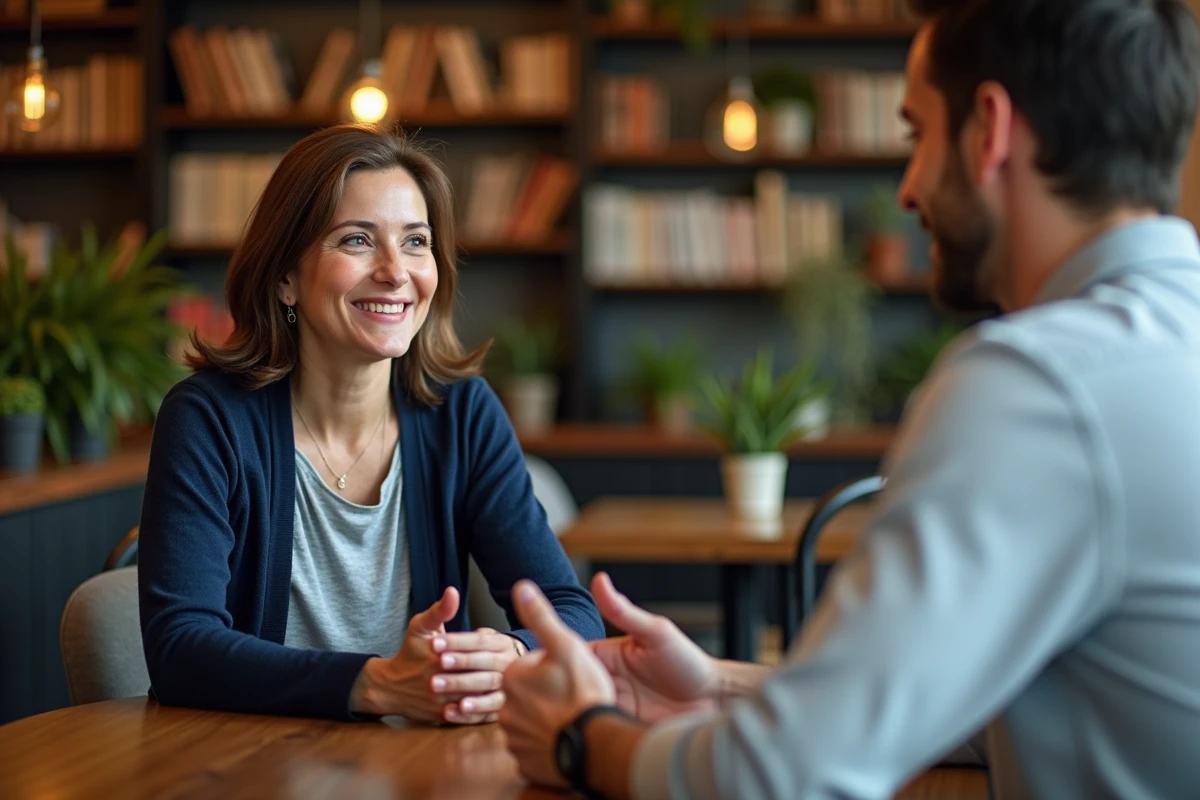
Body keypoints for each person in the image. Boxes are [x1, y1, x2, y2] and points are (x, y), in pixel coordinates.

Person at [498, 0, 1200, 797]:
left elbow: (786, 777)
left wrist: (582, 741)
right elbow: (983, 705)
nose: (907, 188)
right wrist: (721, 687)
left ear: (990, 131)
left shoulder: (1041, 382)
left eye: (917, 133)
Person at [137, 125, 604, 724]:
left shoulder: (461, 413)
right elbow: (180, 649)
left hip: (427, 765)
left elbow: (570, 611)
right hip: (253, 765)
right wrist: (377, 684)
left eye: (416, 242)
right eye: (357, 240)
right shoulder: (209, 420)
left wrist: (512, 655)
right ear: (285, 277)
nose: (394, 271)